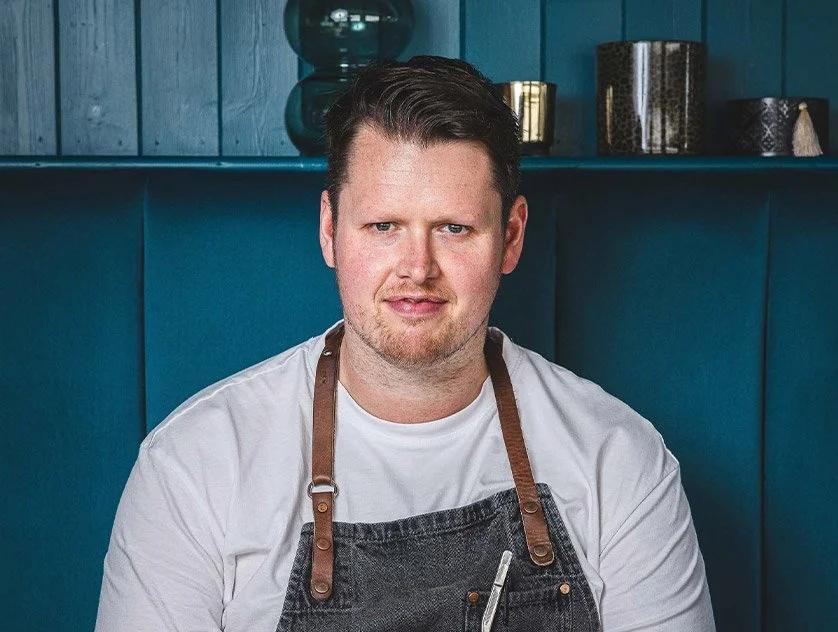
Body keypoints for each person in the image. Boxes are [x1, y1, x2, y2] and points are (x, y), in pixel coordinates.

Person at [95, 56, 715, 631]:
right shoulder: (194, 465)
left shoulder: (620, 459)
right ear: (330, 232)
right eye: (383, 226)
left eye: (454, 228)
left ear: (512, 236)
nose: (417, 268)